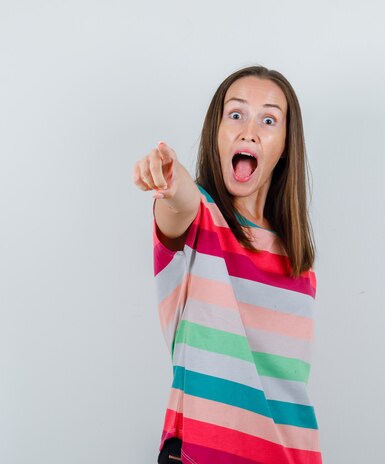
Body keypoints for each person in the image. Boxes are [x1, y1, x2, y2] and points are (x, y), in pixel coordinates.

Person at [132, 65, 322, 464]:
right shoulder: (200, 218)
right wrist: (170, 179)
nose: (248, 130)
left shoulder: (298, 263)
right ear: (216, 133)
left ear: (285, 143)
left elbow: (289, 390)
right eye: (235, 114)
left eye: (269, 120)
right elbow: (179, 199)